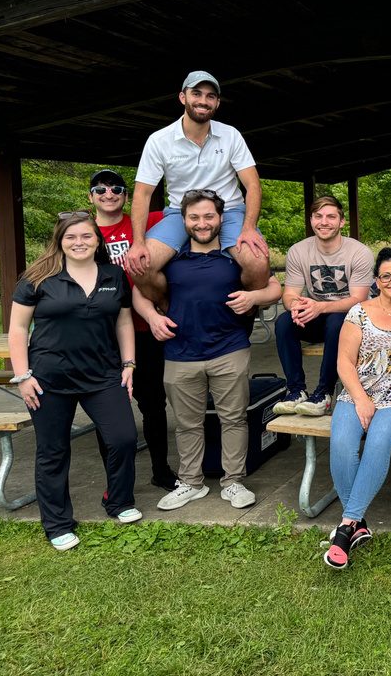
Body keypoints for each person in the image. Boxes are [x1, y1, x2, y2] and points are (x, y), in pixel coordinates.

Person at [7, 211, 141, 551]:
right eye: (71, 237)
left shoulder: (114, 275)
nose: (79, 242)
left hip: (102, 375)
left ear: (98, 240)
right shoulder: (38, 277)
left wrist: (128, 363)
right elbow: (18, 329)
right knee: (53, 451)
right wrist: (23, 377)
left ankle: (119, 501)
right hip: (48, 379)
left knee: (123, 438)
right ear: (60, 241)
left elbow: (124, 322)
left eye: (86, 236)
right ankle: (57, 524)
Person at [145, 190, 281, 512]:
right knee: (186, 423)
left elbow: (275, 287)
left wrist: (254, 298)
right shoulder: (171, 258)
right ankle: (191, 483)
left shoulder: (236, 255)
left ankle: (233, 482)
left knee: (233, 419)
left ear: (221, 218)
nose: (202, 223)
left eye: (209, 216)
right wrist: (151, 316)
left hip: (228, 348)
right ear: (184, 220)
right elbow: (140, 294)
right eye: (194, 217)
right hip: (180, 352)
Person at [323, 247, 391, 569]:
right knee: (342, 443)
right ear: (376, 280)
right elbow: (344, 361)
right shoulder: (358, 312)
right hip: (358, 392)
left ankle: (345, 528)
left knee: (378, 443)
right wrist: (360, 397)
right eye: (386, 275)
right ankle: (356, 525)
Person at [125, 70, 270, 303]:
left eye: (210, 96)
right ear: (183, 97)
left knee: (258, 262)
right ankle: (170, 309)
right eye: (197, 93)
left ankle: (246, 313)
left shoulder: (231, 135)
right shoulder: (159, 140)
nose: (203, 101)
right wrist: (138, 242)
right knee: (140, 266)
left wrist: (249, 228)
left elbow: (253, 185)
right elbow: (142, 194)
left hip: (230, 211)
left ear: (217, 102)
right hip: (181, 214)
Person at [87, 168, 177, 490]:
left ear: (126, 196)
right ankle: (115, 478)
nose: (108, 193)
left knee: (153, 403)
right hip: (104, 335)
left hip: (143, 329)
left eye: (116, 188)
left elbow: (185, 210)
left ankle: (161, 470)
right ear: (91, 197)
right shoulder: (84, 232)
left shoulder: (145, 222)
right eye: (100, 189)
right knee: (107, 408)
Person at [273, 196, 373, 416]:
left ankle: (323, 393)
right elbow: (289, 294)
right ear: (311, 220)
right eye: (318, 216)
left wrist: (319, 307)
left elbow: (359, 300)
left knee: (338, 321)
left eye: (331, 216)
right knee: (283, 322)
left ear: (341, 222)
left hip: (352, 320)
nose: (324, 222)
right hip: (317, 314)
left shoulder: (358, 252)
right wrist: (296, 308)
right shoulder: (298, 251)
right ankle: (296, 390)